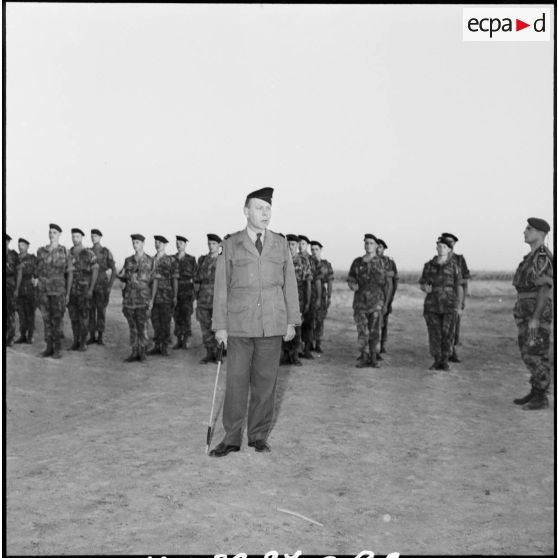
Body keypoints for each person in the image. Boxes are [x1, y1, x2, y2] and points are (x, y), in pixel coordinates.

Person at [209, 187, 300, 457]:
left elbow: (290, 284)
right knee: (236, 382)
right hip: (239, 325)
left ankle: (258, 435)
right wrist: (220, 326)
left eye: (268, 209)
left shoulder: (280, 244)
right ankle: (232, 438)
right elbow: (221, 287)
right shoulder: (231, 244)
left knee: (265, 382)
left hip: (272, 324)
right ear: (246, 211)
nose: (265, 213)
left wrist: (291, 321)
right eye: (259, 208)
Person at [511, 218, 553, 410]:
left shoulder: (542, 257)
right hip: (526, 313)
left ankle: (541, 396)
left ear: (540, 234)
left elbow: (544, 290)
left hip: (536, 315)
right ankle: (536, 390)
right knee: (531, 352)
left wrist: (536, 318)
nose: (524, 232)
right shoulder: (530, 257)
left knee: (534, 354)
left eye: (529, 229)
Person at [348, 234, 392, 368]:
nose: (368, 245)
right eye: (366, 243)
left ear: (376, 246)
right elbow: (351, 279)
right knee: (362, 331)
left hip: (376, 303)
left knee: (375, 331)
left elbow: (388, 284)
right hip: (360, 303)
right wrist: (352, 285)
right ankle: (364, 356)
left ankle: (373, 357)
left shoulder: (383, 262)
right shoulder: (357, 262)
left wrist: (386, 304)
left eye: (371, 243)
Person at [419, 237, 463, 371]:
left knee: (448, 332)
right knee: (434, 333)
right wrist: (424, 287)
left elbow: (459, 286)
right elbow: (422, 283)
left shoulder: (454, 266)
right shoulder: (429, 265)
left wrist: (459, 306)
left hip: (449, 304)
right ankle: (437, 359)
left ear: (449, 249)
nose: (441, 249)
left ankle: (445, 360)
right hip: (432, 304)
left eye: (444, 247)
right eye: (439, 246)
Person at [33, 224, 73, 358]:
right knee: (46, 320)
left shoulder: (65, 252)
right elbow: (36, 271)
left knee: (57, 320)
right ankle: (48, 347)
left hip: (58, 292)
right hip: (43, 291)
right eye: (50, 232)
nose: (51, 234)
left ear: (59, 234)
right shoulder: (41, 251)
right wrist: (35, 280)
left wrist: (67, 293)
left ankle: (57, 349)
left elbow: (70, 274)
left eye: (54, 232)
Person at [118, 234, 155, 362]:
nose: (135, 245)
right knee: (132, 327)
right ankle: (134, 352)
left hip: (143, 299)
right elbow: (122, 278)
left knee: (143, 327)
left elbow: (154, 281)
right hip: (130, 300)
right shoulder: (128, 261)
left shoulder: (150, 260)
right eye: (134, 242)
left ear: (143, 244)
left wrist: (152, 299)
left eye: (138, 242)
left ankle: (143, 352)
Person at [281, 234, 311, 366]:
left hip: (298, 299)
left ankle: (294, 355)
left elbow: (308, 283)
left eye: (293, 244)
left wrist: (308, 302)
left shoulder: (303, 261)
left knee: (297, 327)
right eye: (288, 244)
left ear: (297, 245)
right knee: (283, 327)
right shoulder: (280, 260)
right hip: (282, 299)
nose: (290, 247)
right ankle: (285, 354)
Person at [440, 232, 470, 363]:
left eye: (452, 241)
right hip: (441, 297)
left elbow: (465, 280)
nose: (450, 243)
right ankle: (445, 352)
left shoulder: (459, 259)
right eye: (447, 241)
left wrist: (463, 301)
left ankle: (452, 349)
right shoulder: (439, 259)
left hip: (456, 295)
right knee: (442, 325)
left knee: (455, 325)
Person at [68, 228, 99, 351]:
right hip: (72, 291)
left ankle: (83, 342)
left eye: (77, 236)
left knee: (84, 317)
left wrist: (91, 289)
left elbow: (95, 270)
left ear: (81, 238)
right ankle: (75, 341)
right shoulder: (69, 253)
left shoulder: (89, 253)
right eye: (73, 236)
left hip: (84, 291)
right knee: (73, 317)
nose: (75, 239)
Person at [148, 236, 178, 357]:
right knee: (155, 321)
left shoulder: (170, 260)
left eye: (160, 243)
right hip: (153, 296)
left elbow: (175, 278)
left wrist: (175, 296)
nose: (157, 244)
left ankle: (164, 346)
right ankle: (157, 345)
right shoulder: (151, 260)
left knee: (165, 322)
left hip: (166, 296)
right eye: (155, 242)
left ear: (165, 245)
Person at [194, 233, 221, 364]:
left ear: (219, 245)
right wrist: (196, 297)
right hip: (203, 300)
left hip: (218, 301)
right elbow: (197, 280)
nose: (211, 246)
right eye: (209, 243)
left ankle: (219, 354)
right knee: (205, 328)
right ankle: (210, 353)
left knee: (218, 328)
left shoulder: (224, 260)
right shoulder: (202, 260)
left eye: (214, 244)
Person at [87, 229, 116, 345]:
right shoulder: (88, 251)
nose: (93, 238)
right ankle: (92, 336)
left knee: (101, 311)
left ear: (100, 237)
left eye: (96, 236)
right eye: (92, 236)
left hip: (102, 285)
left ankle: (100, 337)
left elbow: (114, 270)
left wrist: (110, 286)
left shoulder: (105, 252)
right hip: (90, 285)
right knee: (90, 311)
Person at [173, 235, 197, 350]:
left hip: (187, 291)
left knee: (186, 315)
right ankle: (178, 340)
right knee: (176, 315)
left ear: (185, 245)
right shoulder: (172, 258)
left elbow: (196, 276)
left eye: (181, 243)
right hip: (175, 291)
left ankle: (186, 340)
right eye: (177, 243)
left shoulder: (191, 259)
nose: (178, 245)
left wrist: (195, 294)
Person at [310, 240, 334, 353]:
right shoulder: (308, 262)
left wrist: (329, 297)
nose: (314, 252)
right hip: (309, 293)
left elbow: (330, 281)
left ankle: (318, 343)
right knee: (309, 320)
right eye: (312, 249)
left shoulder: (326, 264)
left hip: (321, 294)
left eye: (316, 249)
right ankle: (308, 343)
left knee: (320, 319)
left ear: (321, 250)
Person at [376, 238, 398, 356]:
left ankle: (382, 344)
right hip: (372, 298)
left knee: (383, 321)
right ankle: (376, 348)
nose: (378, 249)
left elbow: (393, 283)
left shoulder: (389, 262)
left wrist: (389, 300)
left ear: (384, 249)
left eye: (380, 247)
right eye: (376, 246)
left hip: (386, 296)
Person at [14, 238, 37, 344]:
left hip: (29, 289)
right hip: (18, 289)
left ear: (28, 246)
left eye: (23, 244)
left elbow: (38, 271)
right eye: (19, 244)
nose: (20, 246)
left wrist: (36, 279)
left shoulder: (32, 258)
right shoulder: (15, 258)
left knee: (30, 313)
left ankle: (30, 336)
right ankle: (23, 335)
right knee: (21, 314)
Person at [297, 234, 316, 359]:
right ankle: (297, 349)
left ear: (307, 245)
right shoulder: (294, 258)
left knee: (308, 323)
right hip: (299, 296)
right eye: (299, 243)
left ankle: (307, 349)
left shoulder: (312, 259)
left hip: (310, 294)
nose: (300, 246)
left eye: (303, 243)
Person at [5, 234, 19, 346]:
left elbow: (18, 272)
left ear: (8, 242)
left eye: (5, 242)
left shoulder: (13, 255)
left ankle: (10, 337)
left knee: (10, 313)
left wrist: (16, 289)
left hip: (9, 287)